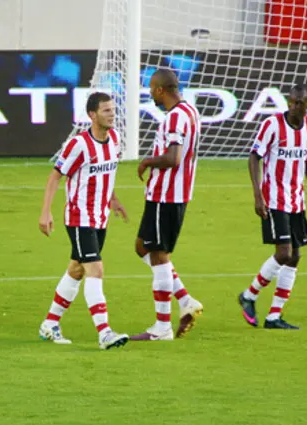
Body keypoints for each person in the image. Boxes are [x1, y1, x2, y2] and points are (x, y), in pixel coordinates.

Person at [38, 92, 129, 350]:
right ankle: (104, 332)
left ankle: (50, 323)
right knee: (95, 269)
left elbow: (106, 175)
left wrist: (113, 199)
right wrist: (45, 212)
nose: (112, 114)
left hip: (101, 217)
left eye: (113, 110)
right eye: (106, 111)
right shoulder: (79, 145)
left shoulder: (114, 139)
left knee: (77, 269)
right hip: (80, 218)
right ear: (92, 115)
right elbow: (55, 176)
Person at [238, 83, 307, 330]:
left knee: (295, 256)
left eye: (300, 102)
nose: (294, 106)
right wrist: (257, 195)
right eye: (292, 101)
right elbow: (254, 156)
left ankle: (274, 316)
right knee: (284, 253)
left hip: (296, 201)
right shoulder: (272, 125)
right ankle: (249, 295)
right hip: (274, 199)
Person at [131, 68, 204, 341]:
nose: (151, 94)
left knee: (160, 256)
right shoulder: (191, 112)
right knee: (142, 247)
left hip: (167, 195)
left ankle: (161, 328)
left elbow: (173, 159)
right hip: (169, 195)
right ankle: (185, 300)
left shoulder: (174, 118)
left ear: (161, 90)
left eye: (151, 89)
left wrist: (148, 161)